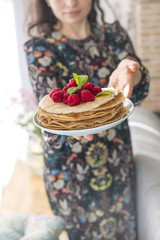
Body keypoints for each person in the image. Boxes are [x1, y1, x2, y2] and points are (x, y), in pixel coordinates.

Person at [24, 0, 149, 239]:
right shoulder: (40, 48)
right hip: (70, 176)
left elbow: (135, 82)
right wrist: (69, 128)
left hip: (117, 162)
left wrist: (132, 70)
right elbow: (48, 115)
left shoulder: (113, 34)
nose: (70, 3)